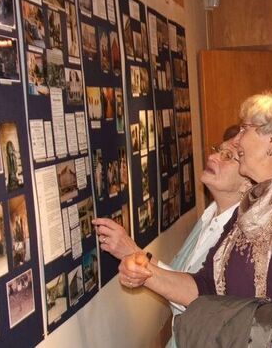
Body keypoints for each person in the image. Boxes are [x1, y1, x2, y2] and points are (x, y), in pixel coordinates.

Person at [119, 92, 272, 347]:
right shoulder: (253, 202)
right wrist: (146, 273)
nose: (236, 142)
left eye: (244, 130)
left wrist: (258, 336)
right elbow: (207, 285)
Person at [93, 140, 250, 347]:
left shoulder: (242, 236)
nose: (212, 157)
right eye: (217, 150)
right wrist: (135, 255)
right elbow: (178, 275)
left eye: (228, 156)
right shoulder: (209, 215)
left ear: (247, 184)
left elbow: (203, 300)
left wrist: (133, 253)